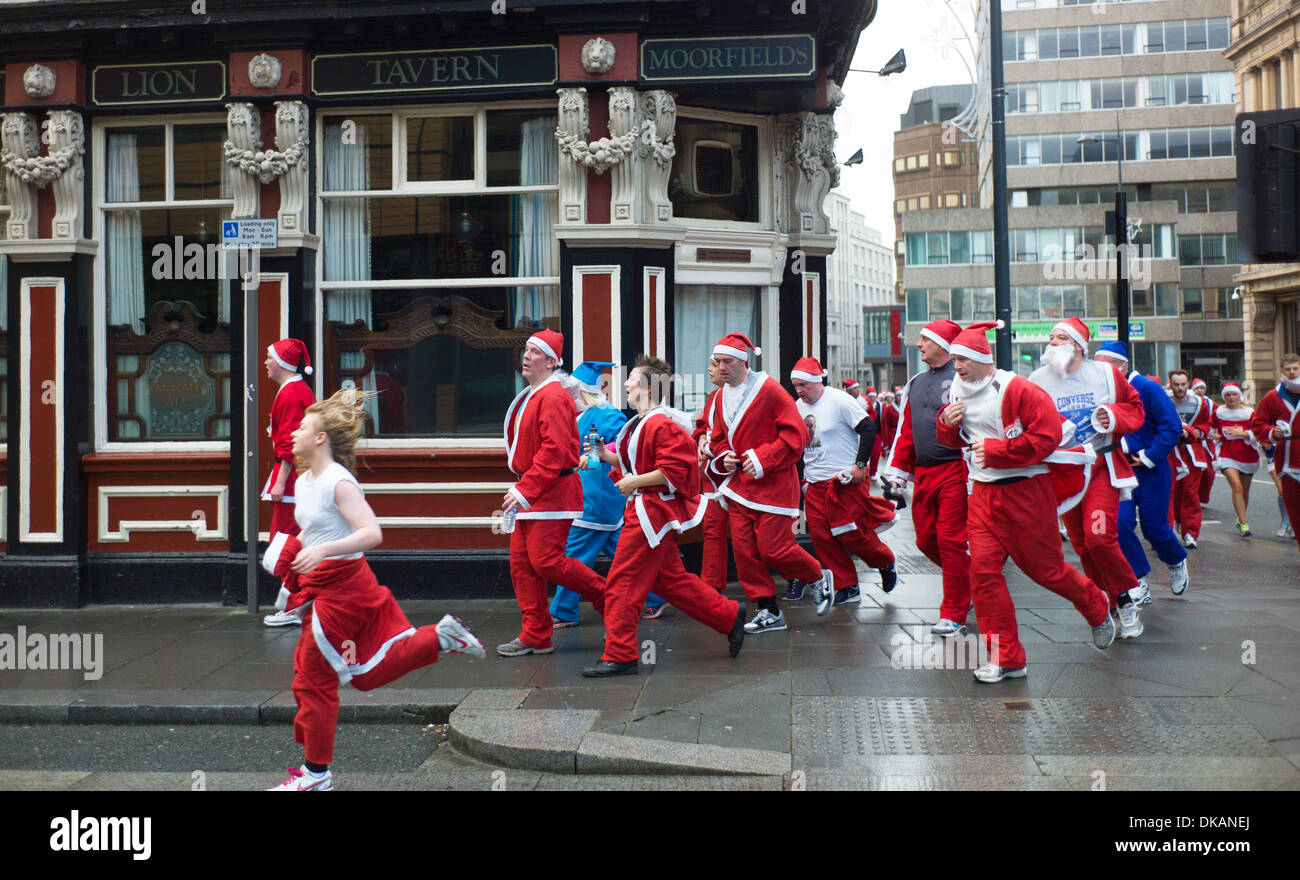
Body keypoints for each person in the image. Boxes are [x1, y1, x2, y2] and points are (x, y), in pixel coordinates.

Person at [264, 389, 486, 791]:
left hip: (343, 591)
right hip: (327, 587)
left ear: (320, 438)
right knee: (361, 677)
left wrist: (320, 552)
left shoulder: (338, 481)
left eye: (302, 426)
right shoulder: (306, 476)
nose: (293, 431)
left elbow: (372, 533)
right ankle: (439, 637)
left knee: (313, 678)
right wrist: (294, 565)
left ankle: (315, 775)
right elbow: (315, 530)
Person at [937, 322, 1115, 683]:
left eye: (961, 359)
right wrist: (945, 424)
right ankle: (1007, 658)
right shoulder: (957, 387)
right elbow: (957, 437)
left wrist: (997, 451)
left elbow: (1048, 437)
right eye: (953, 359)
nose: (955, 367)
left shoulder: (1018, 388)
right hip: (983, 495)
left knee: (1046, 571)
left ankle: (1096, 604)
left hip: (1026, 493)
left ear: (982, 358)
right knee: (983, 574)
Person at [582, 356, 746, 676]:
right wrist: (606, 456)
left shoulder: (659, 423)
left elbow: (674, 471)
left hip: (649, 516)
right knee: (672, 582)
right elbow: (639, 464)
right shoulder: (641, 423)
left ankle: (621, 654)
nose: (626, 384)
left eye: (631, 379)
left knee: (621, 583)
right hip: (649, 515)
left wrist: (634, 482)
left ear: (645, 387)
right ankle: (728, 616)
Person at [704, 333, 834, 633]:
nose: (721, 368)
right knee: (745, 553)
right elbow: (719, 438)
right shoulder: (720, 397)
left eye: (727, 362)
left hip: (774, 485)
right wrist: (724, 457)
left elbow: (796, 435)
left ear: (743, 363)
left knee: (773, 549)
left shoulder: (770, 390)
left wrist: (762, 458)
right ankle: (767, 610)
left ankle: (816, 575)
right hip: (739, 487)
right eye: (717, 362)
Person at [1029, 317, 1147, 640]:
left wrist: (1113, 416)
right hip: (1065, 470)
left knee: (1099, 538)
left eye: (1059, 338)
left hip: (1101, 465)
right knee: (1082, 545)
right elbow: (1026, 420)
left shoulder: (1105, 374)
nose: (1051, 343)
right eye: (1051, 337)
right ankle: (1104, 599)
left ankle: (1126, 598)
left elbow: (1135, 408)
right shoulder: (1037, 380)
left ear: (1078, 346)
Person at [499, 329, 607, 657]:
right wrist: (524, 489)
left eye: (534, 352)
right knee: (522, 565)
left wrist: (524, 490)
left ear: (550, 361)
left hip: (550, 492)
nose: (526, 356)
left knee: (546, 562)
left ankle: (610, 597)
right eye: (526, 350)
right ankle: (536, 634)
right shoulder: (540, 393)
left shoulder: (551, 395)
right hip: (534, 490)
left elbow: (556, 451)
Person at [549, 362, 667, 627]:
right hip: (587, 497)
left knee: (575, 554)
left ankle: (562, 610)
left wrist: (591, 456)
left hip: (599, 497)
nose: (564, 397)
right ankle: (655, 596)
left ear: (582, 392)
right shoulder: (576, 415)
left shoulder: (607, 413)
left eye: (568, 392)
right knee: (623, 554)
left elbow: (623, 444)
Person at [880, 319, 973, 637]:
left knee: (950, 541)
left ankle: (954, 612)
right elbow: (905, 433)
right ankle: (972, 579)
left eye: (925, 339)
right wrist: (897, 475)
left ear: (944, 345)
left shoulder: (963, 379)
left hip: (955, 472)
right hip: (924, 475)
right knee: (924, 541)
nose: (918, 344)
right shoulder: (915, 382)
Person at [790, 357, 897, 606]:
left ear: (818, 381)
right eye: (795, 385)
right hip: (815, 484)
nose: (799, 391)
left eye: (803, 385)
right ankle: (847, 586)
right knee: (822, 538)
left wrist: (860, 464)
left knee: (852, 535)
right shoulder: (798, 406)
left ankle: (884, 560)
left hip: (844, 482)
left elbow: (868, 429)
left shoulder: (839, 400)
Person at [1095, 343, 1189, 605]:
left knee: (1154, 528)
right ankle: (1138, 581)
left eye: (1107, 365)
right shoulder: (1103, 391)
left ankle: (1176, 559)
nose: (1101, 371)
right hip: (1117, 468)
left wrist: (1149, 455)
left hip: (1150, 468)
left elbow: (1171, 426)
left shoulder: (1147, 387)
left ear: (1123, 365)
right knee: (1120, 525)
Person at [262, 338, 318, 628]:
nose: (266, 362)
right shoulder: (294, 390)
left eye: (270, 358)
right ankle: (300, 602)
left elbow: (289, 443)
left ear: (282, 363)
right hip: (299, 478)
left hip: (294, 481)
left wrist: (280, 482)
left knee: (284, 543)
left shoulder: (292, 394)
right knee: (292, 542)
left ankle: (295, 604)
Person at [1251, 353, 1300, 553]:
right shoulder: (1273, 397)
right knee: (1295, 509)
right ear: (1281, 371)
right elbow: (1257, 423)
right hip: (1287, 460)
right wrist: (1271, 432)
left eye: (1296, 368)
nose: (1292, 372)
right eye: (1288, 369)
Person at [694, 357, 732, 593]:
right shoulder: (713, 397)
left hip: (737, 473)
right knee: (712, 529)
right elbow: (702, 426)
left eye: (714, 364)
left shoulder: (743, 398)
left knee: (751, 535)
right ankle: (711, 585)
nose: (709, 369)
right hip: (712, 474)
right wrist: (700, 439)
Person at [1168, 369, 1213, 549]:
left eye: (1183, 384)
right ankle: (1166, 532)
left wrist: (1195, 432)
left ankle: (1190, 532)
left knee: (1190, 493)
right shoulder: (1164, 401)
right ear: (1170, 384)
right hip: (1169, 453)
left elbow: (1205, 425)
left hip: (1192, 454)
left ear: (1188, 384)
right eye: (1176, 384)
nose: (1180, 388)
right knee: (1169, 494)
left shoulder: (1199, 403)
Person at [1211, 383, 1261, 537]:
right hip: (1226, 453)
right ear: (1224, 396)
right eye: (1227, 395)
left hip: (1247, 454)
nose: (1231, 397)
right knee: (1237, 486)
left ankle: (1240, 518)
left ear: (1239, 395)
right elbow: (1211, 430)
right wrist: (1214, 436)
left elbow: (1258, 431)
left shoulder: (1249, 412)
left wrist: (1244, 434)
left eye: (1234, 394)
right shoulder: (1218, 412)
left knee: (1244, 491)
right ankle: (1244, 524)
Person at [1192, 378, 1217, 506]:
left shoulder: (1211, 403)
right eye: (1197, 388)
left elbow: (1218, 419)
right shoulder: (1187, 401)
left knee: (1209, 472)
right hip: (1189, 441)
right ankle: (1192, 497)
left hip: (1206, 441)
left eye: (1202, 388)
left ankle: (1201, 497)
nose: (1200, 390)